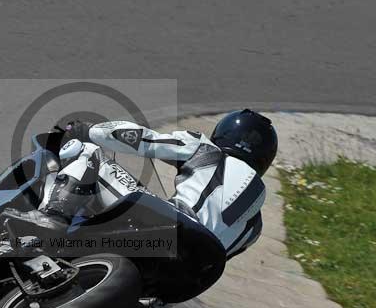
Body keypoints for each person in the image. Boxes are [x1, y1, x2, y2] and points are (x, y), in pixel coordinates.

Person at [17, 109, 277, 260]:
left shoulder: (206, 149)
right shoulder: (255, 228)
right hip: (197, 268)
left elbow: (141, 139)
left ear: (224, 133)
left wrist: (88, 130)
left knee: (88, 152)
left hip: (173, 223)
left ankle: (51, 218)